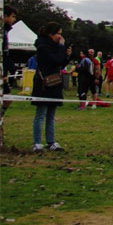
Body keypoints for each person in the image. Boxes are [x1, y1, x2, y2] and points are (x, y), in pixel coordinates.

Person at [31, 22, 71, 152]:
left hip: (55, 82)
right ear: (50, 34)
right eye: (58, 34)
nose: (60, 36)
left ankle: (51, 141)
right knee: (41, 113)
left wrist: (67, 55)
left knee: (51, 114)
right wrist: (62, 48)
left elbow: (61, 63)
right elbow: (55, 60)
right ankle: (37, 142)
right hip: (44, 84)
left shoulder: (55, 47)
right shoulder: (43, 46)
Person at [2, 5, 18, 109]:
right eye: (12, 16)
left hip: (4, 70)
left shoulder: (6, 31)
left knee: (7, 98)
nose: (14, 19)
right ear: (4, 16)